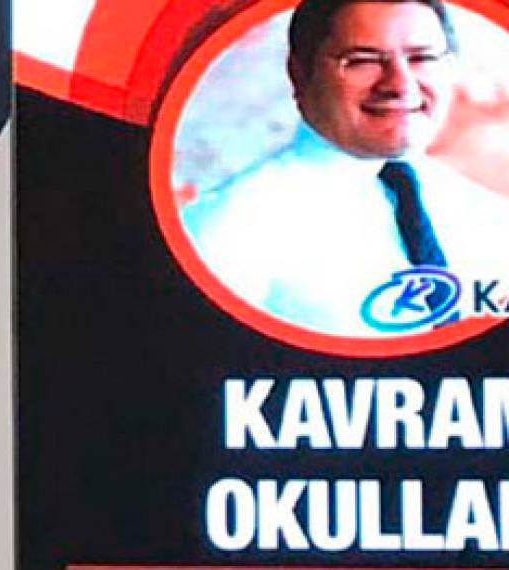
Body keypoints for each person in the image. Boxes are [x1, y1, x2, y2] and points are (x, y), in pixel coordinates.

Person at [182, 0, 509, 336]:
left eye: (422, 58)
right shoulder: (221, 230)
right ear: (299, 74)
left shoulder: (489, 216)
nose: (400, 85)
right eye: (363, 61)